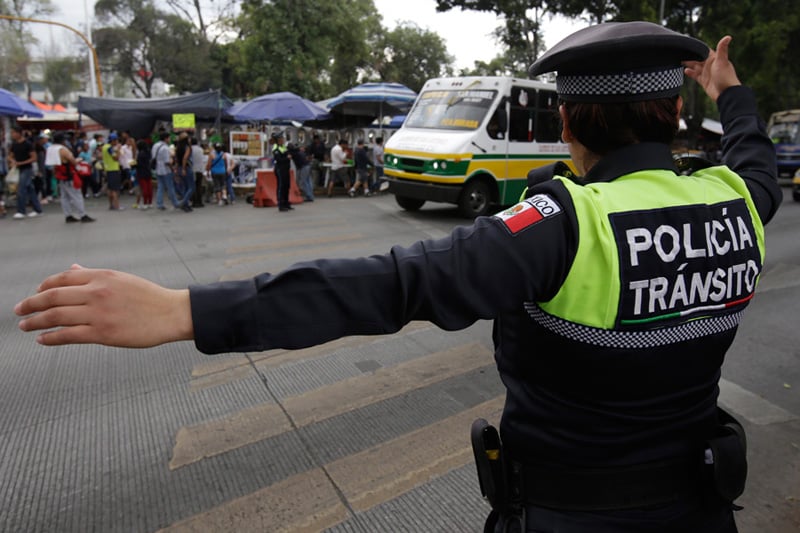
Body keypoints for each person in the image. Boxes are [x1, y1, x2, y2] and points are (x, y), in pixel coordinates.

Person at [13, 23, 782, 533]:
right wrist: (732, 93)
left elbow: (389, 284)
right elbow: (753, 156)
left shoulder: (565, 227)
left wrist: (185, 309)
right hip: (702, 511)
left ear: (569, 125)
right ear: (673, 117)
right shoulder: (736, 201)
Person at [45, 131, 95, 223]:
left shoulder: (51, 149)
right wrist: (78, 160)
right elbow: (72, 161)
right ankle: (82, 215)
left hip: (60, 174)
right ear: (62, 140)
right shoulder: (62, 150)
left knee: (65, 197)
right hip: (68, 175)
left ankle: (68, 215)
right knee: (76, 195)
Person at [8, 126, 43, 219]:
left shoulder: (27, 144)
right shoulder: (14, 144)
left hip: (27, 169)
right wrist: (12, 161)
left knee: (21, 189)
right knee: (30, 189)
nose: (12, 135)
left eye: (13, 133)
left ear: (19, 133)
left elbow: (34, 157)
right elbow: (10, 155)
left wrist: (21, 162)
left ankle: (21, 210)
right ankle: (37, 209)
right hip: (19, 169)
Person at [151, 132, 178, 211]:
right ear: (166, 138)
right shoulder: (165, 148)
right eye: (169, 138)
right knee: (170, 187)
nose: (170, 139)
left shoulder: (155, 145)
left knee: (160, 187)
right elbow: (167, 161)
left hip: (158, 169)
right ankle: (175, 202)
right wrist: (172, 168)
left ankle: (159, 203)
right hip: (166, 170)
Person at [271, 132, 292, 211]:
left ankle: (286, 202)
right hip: (280, 169)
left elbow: (288, 153)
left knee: (287, 186)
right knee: (281, 186)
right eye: (282, 138)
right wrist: (287, 158)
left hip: (286, 168)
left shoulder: (283, 146)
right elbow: (279, 160)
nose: (283, 140)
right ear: (278, 140)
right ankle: (281, 204)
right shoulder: (276, 148)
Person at [102, 133, 123, 211]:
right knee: (114, 189)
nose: (117, 142)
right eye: (116, 140)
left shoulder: (104, 147)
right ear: (113, 140)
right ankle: (117, 206)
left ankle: (111, 205)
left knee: (110, 189)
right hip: (113, 169)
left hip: (107, 169)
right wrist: (118, 150)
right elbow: (116, 158)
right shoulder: (110, 148)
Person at [174, 132, 194, 212]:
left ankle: (186, 205)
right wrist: (184, 168)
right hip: (186, 167)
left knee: (184, 187)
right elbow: (185, 158)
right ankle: (183, 202)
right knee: (191, 187)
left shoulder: (177, 147)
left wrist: (176, 168)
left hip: (179, 167)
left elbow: (176, 158)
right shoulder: (187, 147)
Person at [135, 140, 153, 209]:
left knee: (144, 188)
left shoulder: (140, 154)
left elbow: (139, 164)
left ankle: (145, 203)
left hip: (141, 172)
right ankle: (150, 202)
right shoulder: (148, 152)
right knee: (149, 188)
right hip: (148, 171)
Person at [190, 137, 206, 208]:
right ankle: (200, 201)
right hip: (200, 169)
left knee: (193, 186)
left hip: (193, 169)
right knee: (199, 186)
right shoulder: (201, 149)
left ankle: (194, 201)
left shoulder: (190, 149)